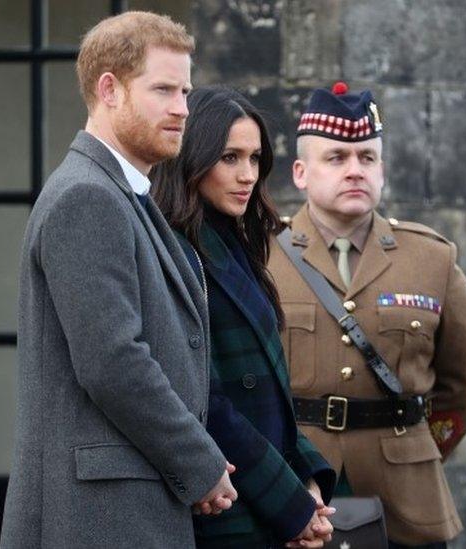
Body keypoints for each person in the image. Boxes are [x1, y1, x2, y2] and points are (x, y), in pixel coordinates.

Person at [0, 12, 236, 548]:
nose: (183, 109)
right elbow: (114, 362)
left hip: (121, 506)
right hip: (97, 515)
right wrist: (198, 463)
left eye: (186, 91)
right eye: (164, 90)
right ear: (109, 89)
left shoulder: (123, 193)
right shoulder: (88, 197)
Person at [265, 83, 466, 548]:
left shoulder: (432, 257)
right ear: (301, 173)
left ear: (382, 169)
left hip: (406, 497)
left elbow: (465, 388)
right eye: (337, 158)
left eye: (367, 158)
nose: (355, 170)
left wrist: (416, 452)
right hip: (298, 491)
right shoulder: (260, 256)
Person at [150, 87, 337, 548]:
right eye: (230, 157)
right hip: (225, 504)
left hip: (263, 500)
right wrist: (291, 505)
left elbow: (273, 397)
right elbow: (205, 402)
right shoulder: (174, 251)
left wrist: (308, 480)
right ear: (194, 159)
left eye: (255, 159)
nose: (247, 175)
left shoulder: (239, 245)